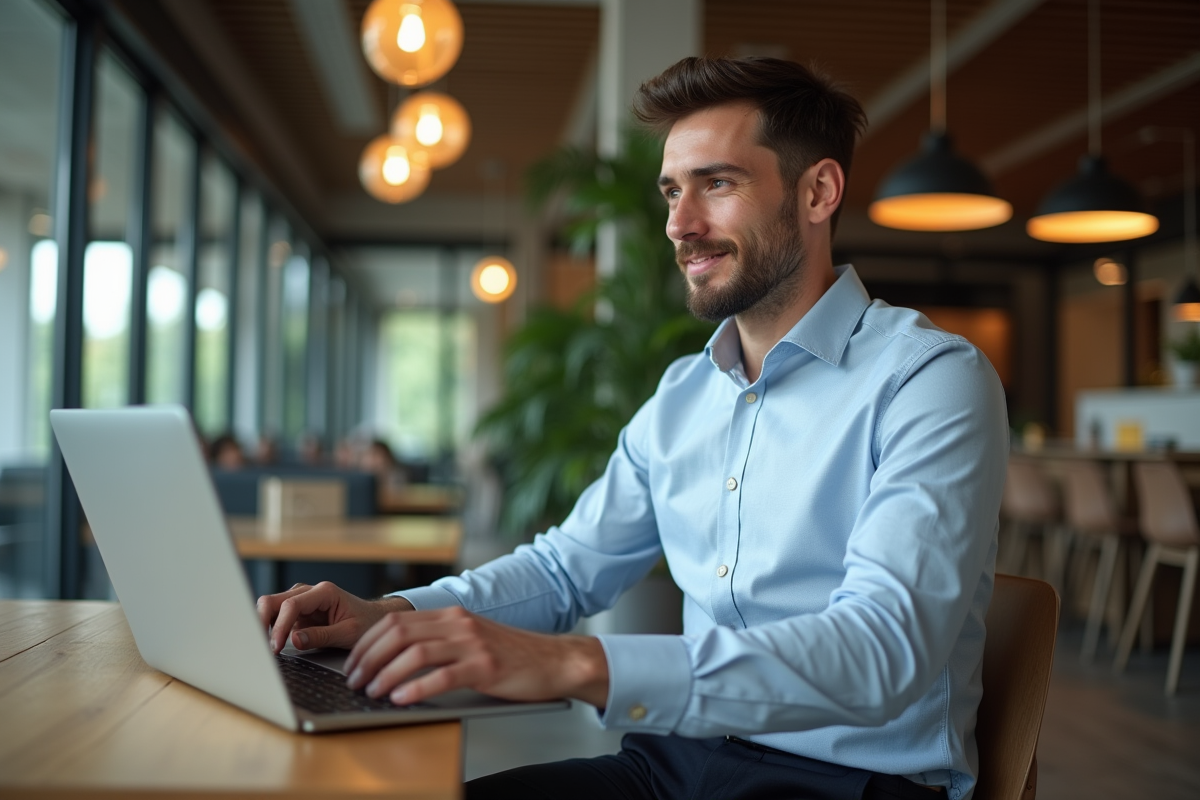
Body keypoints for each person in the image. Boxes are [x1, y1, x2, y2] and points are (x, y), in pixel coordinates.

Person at [258, 56, 1007, 800]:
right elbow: (564, 570)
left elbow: (884, 648)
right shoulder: (684, 394)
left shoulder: (929, 380)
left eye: (718, 183)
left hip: (852, 784)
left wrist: (580, 665)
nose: (681, 225)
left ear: (818, 191)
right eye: (672, 191)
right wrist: (391, 614)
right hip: (675, 763)